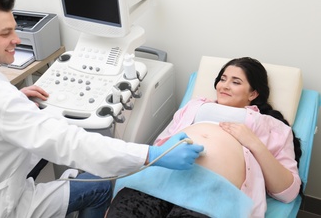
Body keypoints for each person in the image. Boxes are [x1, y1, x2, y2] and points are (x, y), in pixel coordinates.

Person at [0, 0, 205, 218]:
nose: (16, 39)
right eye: (5, 33)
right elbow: (72, 143)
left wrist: (15, 98)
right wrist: (151, 155)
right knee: (100, 186)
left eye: (15, 29)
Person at [106, 57, 302, 218]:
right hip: (160, 180)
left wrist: (254, 143)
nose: (224, 86)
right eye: (222, 79)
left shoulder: (271, 126)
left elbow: (288, 192)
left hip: (213, 195)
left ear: (253, 93)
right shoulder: (193, 106)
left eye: (235, 82)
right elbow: (160, 146)